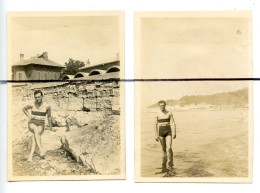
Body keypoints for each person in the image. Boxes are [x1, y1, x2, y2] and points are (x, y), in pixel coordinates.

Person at [23, 90, 54, 161]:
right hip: (32, 123)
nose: (37, 99)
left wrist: (51, 128)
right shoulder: (32, 104)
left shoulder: (47, 106)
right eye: (35, 97)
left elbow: (49, 117)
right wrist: (29, 116)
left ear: (42, 96)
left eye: (39, 97)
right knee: (36, 130)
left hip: (41, 123)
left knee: (35, 135)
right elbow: (24, 109)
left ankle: (30, 155)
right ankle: (41, 149)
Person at [155, 100, 176, 176]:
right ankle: (164, 164)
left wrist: (174, 132)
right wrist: (156, 135)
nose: (162, 106)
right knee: (163, 150)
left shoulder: (169, 113)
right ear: (159, 106)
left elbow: (173, 123)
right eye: (160, 105)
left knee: (169, 148)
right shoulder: (157, 114)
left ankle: (170, 163)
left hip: (168, 131)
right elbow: (155, 125)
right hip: (161, 132)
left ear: (165, 105)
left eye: (163, 105)